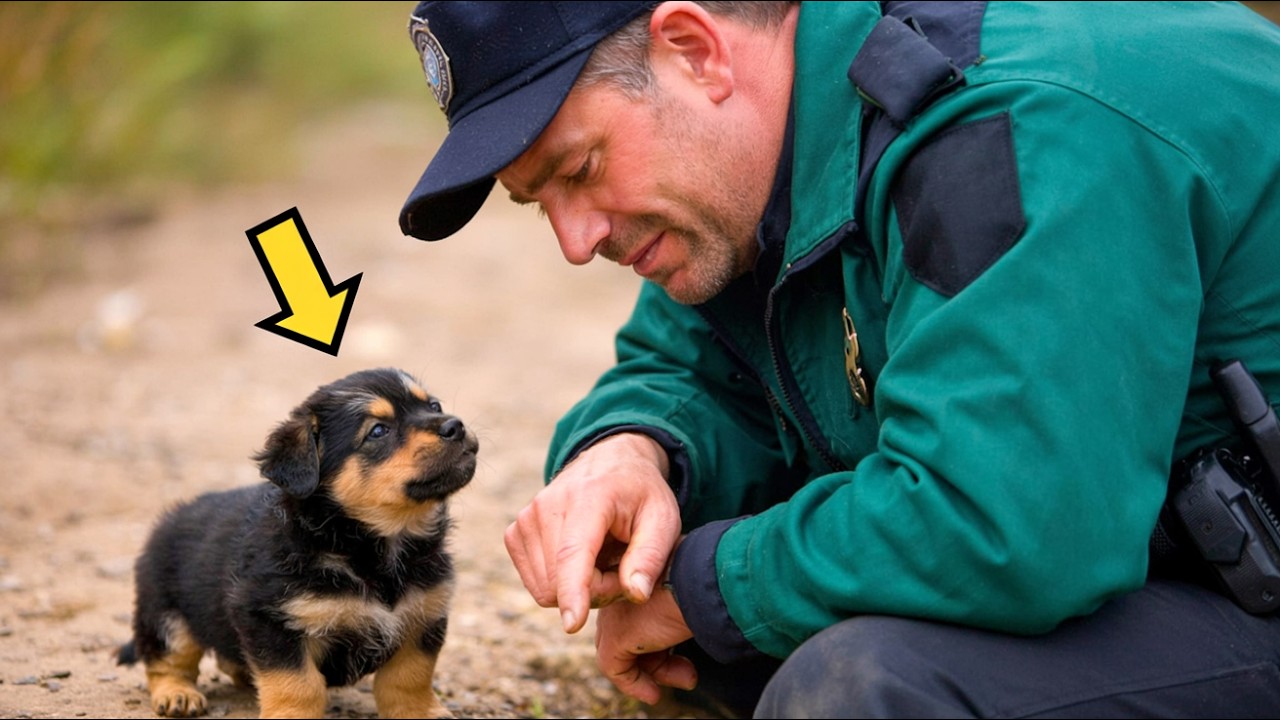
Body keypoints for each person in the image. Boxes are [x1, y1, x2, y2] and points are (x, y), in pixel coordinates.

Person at [398, 1, 1280, 717]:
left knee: (864, 689)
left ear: (695, 49)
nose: (575, 241)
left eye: (581, 168)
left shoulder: (998, 125)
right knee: (735, 643)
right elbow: (678, 371)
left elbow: (1003, 528)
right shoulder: (766, 164)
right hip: (1161, 552)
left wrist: (704, 587)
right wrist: (628, 455)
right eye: (536, 203)